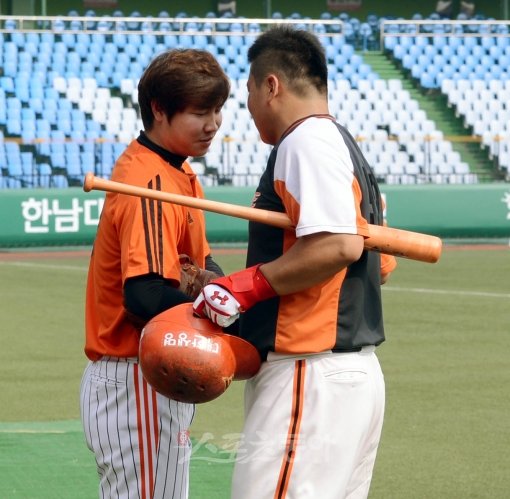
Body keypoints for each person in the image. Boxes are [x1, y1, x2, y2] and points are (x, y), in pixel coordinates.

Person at [193, 26, 397, 498]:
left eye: (247, 92)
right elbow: (380, 265)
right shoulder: (346, 147)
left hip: (310, 373)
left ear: (271, 86)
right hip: (346, 376)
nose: (246, 108)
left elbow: (338, 246)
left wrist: (243, 288)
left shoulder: (306, 142)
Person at [80, 48, 230, 499]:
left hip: (155, 371)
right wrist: (227, 309)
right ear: (159, 110)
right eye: (200, 112)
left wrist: (217, 286)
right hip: (137, 375)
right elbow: (145, 295)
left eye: (218, 110)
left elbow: (206, 266)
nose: (214, 124)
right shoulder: (148, 181)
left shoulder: (179, 172)